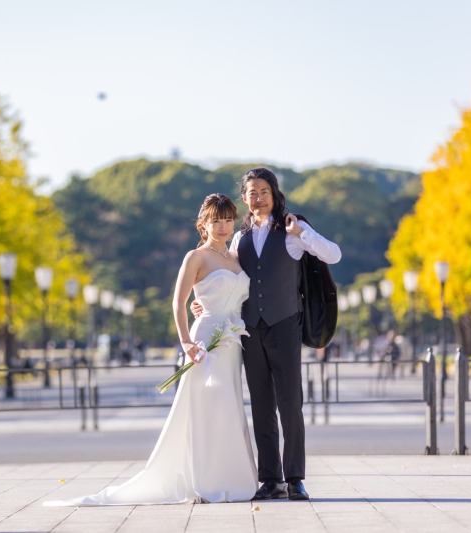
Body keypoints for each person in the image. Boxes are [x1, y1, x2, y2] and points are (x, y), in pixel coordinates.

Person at [46, 193, 256, 506]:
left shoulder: (237, 257)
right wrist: (186, 342)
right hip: (205, 342)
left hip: (233, 342)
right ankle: (204, 481)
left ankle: (232, 478)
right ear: (204, 224)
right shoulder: (195, 257)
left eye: (227, 220)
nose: (223, 226)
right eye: (216, 220)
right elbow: (178, 302)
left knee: (228, 406)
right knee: (206, 408)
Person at [196, 167, 341, 501]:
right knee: (261, 405)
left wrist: (304, 234)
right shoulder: (239, 237)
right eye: (251, 193)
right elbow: (230, 280)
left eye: (264, 191)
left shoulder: (293, 228)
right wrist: (203, 304)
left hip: (285, 325)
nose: (258, 198)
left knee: (290, 403)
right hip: (250, 329)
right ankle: (270, 479)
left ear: (274, 193)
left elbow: (333, 254)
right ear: (244, 199)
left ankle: (295, 479)